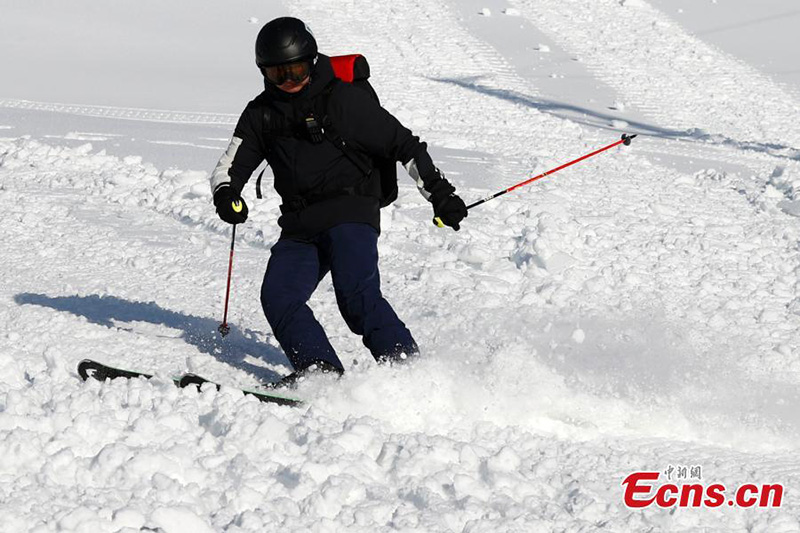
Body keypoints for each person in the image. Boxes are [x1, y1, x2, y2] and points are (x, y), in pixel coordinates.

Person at [210, 17, 468, 386]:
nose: (288, 81)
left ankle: (409, 375)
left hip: (351, 211)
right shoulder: (260, 113)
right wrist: (227, 194)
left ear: (312, 62)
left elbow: (405, 145)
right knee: (279, 296)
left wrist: (440, 195)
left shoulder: (343, 101)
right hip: (300, 224)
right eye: (277, 73)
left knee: (356, 296)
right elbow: (229, 166)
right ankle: (321, 372)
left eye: (296, 70)